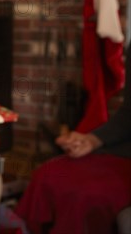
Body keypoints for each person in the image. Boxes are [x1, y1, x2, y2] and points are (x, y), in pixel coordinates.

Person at [15, 47, 131, 233]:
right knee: (48, 174)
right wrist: (93, 139)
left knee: (86, 196)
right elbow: (129, 112)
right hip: (123, 151)